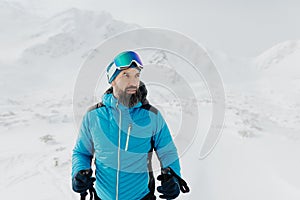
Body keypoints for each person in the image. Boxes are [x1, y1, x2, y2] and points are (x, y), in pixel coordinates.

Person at [72, 51, 189, 200]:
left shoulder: (151, 116)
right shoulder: (94, 116)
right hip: (102, 197)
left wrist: (174, 177)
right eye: (126, 75)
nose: (133, 82)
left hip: (141, 197)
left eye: (136, 75)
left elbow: (168, 152)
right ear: (112, 80)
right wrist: (79, 172)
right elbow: (82, 152)